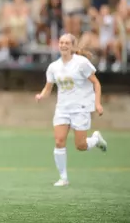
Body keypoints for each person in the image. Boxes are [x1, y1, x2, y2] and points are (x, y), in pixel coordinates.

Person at [35, 33, 107, 187]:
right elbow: (48, 89)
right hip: (62, 109)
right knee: (59, 141)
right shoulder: (53, 67)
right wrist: (41, 96)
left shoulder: (81, 63)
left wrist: (98, 104)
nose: (63, 45)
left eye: (67, 42)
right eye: (61, 42)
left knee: (80, 146)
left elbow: (96, 83)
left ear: (73, 46)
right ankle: (63, 178)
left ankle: (95, 140)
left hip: (80, 108)